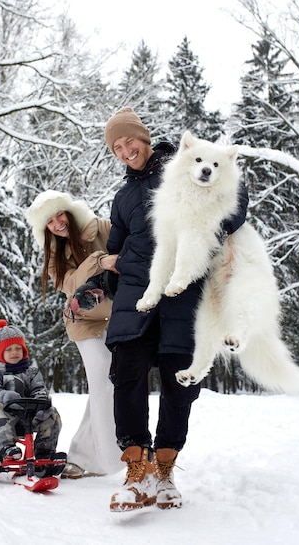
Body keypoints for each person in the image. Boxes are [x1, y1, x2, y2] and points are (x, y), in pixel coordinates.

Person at [98, 107, 249, 512]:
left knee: (180, 384)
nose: (126, 150)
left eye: (130, 141)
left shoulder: (193, 164)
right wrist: (110, 272)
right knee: (126, 375)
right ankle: (137, 469)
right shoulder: (124, 196)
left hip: (188, 295)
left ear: (144, 139)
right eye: (117, 146)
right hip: (136, 296)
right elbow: (115, 251)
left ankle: (165, 470)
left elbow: (234, 208)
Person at [25, 190, 122, 479]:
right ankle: (112, 459)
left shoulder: (101, 228)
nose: (58, 223)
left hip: (115, 319)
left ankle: (81, 456)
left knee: (108, 383)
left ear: (69, 213)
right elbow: (70, 284)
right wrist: (100, 262)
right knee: (103, 378)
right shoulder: (54, 256)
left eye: (60, 215)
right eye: (50, 221)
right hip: (83, 323)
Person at [0, 319, 62, 461]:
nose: (14, 352)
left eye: (18, 348)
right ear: (0, 353)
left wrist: (41, 398)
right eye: (9, 349)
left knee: (52, 414)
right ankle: (7, 448)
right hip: (6, 418)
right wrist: (5, 396)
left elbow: (39, 388)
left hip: (30, 416)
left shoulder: (31, 372)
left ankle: (44, 453)